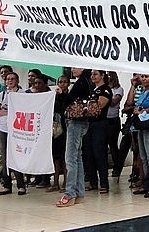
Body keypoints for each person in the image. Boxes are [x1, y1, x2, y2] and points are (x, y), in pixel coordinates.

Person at [56, 67, 93, 207]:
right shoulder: (87, 82)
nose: (72, 69)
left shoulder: (81, 83)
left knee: (70, 158)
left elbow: (68, 101)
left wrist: (61, 95)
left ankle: (70, 193)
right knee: (77, 158)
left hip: (75, 123)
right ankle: (79, 193)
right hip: (82, 122)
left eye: (75, 66)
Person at [0, 71, 27, 196]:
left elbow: (24, 109)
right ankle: (7, 184)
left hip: (17, 129)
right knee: (4, 156)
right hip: (3, 128)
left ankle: (21, 185)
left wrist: (7, 111)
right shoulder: (2, 94)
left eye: (12, 79)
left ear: (17, 81)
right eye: (8, 79)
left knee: (17, 155)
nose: (10, 81)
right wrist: (10, 112)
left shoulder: (22, 93)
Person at [131, 74, 149, 199]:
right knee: (143, 156)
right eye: (142, 76)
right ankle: (146, 182)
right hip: (141, 125)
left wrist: (144, 111)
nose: (143, 79)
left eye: (146, 76)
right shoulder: (142, 90)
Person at [83, 69, 112, 194]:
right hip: (89, 124)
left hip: (100, 124)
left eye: (95, 74)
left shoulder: (105, 89)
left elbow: (99, 106)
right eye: (92, 74)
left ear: (102, 75)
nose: (93, 76)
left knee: (99, 153)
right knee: (88, 153)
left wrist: (85, 108)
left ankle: (104, 183)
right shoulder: (92, 90)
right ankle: (92, 182)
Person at [48, 74, 70, 192]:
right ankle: (55, 182)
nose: (62, 84)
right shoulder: (54, 97)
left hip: (66, 129)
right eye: (60, 82)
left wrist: (62, 96)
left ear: (68, 84)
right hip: (55, 130)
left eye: (65, 82)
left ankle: (66, 183)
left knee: (64, 158)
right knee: (55, 157)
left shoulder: (69, 96)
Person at [106, 71, 124, 178]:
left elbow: (114, 101)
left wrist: (105, 99)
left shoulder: (118, 89)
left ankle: (117, 167)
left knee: (113, 145)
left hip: (113, 120)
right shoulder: (106, 89)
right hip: (105, 119)